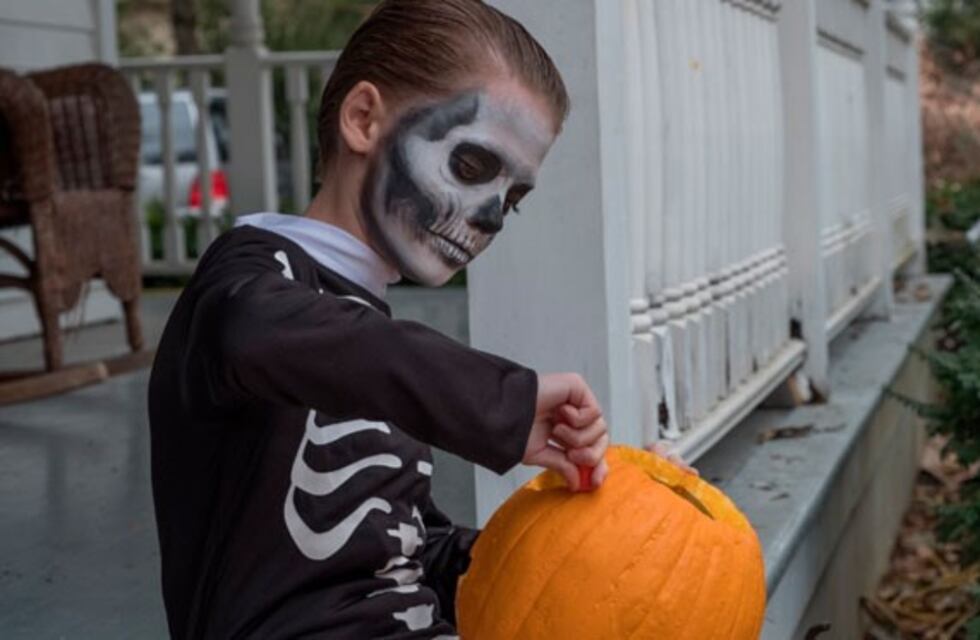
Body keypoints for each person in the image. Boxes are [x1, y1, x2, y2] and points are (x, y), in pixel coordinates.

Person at [148, 1, 611, 637]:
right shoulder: (249, 281)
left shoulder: (369, 336)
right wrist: (499, 399)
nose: (493, 216)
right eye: (472, 166)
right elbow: (255, 337)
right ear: (364, 120)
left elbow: (414, 555)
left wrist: (610, 539)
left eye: (513, 198)